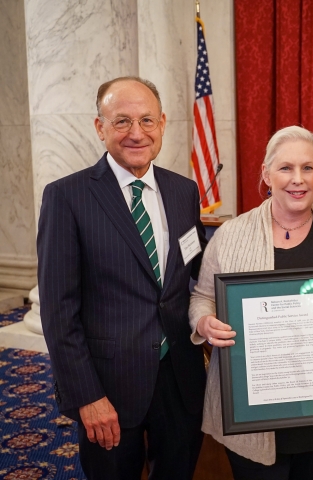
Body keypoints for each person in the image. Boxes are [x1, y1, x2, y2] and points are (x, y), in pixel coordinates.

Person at [37, 77, 207, 479]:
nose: (136, 133)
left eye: (147, 120)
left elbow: (193, 274)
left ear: (163, 124)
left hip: (180, 379)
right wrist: (87, 395)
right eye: (122, 121)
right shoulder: (67, 196)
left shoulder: (184, 191)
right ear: (100, 127)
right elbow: (59, 312)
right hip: (109, 386)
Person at [189, 126, 313, 480]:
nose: (297, 179)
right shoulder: (230, 235)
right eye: (285, 168)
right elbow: (202, 297)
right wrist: (204, 323)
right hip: (251, 410)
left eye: (308, 168)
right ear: (266, 174)